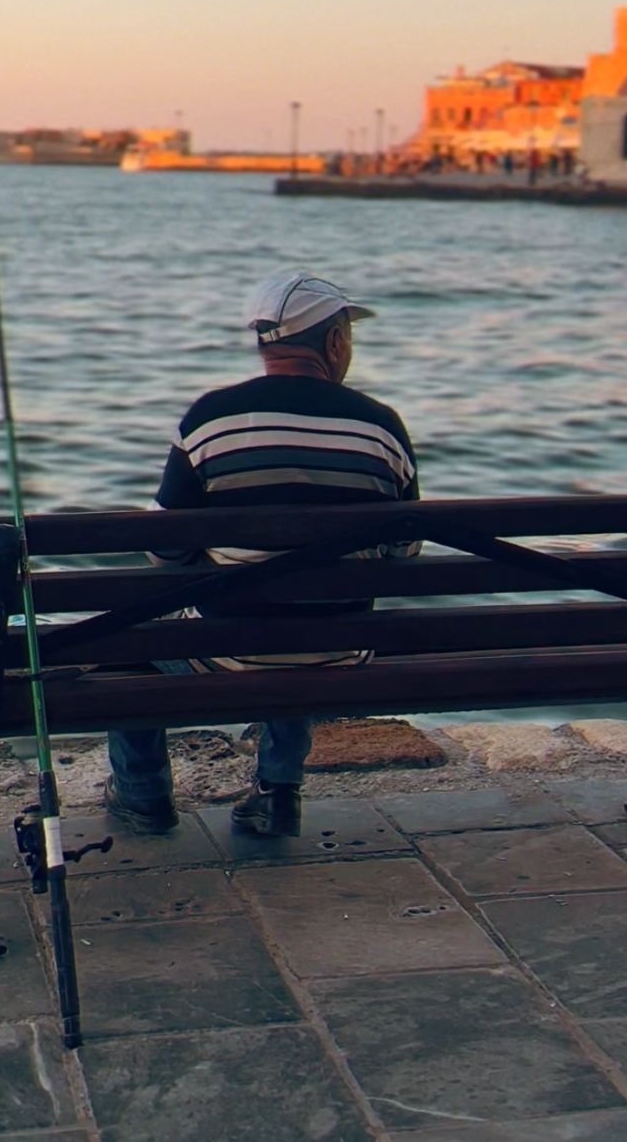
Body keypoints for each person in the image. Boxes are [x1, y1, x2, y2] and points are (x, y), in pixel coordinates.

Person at [105, 271, 419, 838]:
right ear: (333, 342)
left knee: (130, 653)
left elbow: (165, 548)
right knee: (306, 616)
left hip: (229, 652)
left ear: (264, 344)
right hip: (340, 650)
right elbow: (404, 549)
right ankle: (277, 790)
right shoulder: (381, 427)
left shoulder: (211, 420)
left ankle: (143, 796)